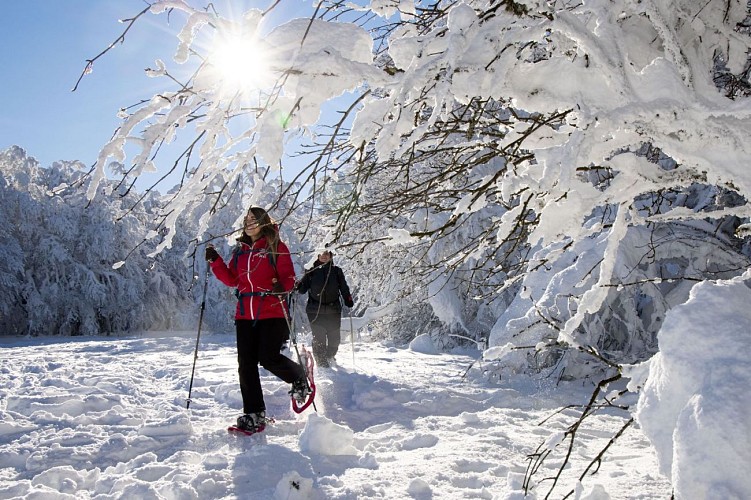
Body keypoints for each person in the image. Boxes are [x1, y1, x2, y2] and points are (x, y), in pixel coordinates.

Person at [205, 206, 309, 433]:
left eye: (254, 219)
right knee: (246, 365)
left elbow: (289, 278)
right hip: (245, 314)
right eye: (246, 220)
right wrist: (216, 262)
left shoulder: (276, 248)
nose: (249, 223)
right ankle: (254, 412)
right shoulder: (240, 252)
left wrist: (282, 287)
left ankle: (298, 376)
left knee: (268, 357)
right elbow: (233, 280)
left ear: (263, 222)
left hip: (272, 311)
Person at [296, 250, 354, 368]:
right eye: (322, 253)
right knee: (319, 337)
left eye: (327, 254)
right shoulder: (311, 272)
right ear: (317, 255)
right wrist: (298, 285)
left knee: (334, 339)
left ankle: (330, 356)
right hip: (315, 310)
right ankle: (321, 363)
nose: (324, 256)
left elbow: (344, 287)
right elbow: (302, 290)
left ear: (331, 256)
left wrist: (348, 299)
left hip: (333, 310)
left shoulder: (337, 271)